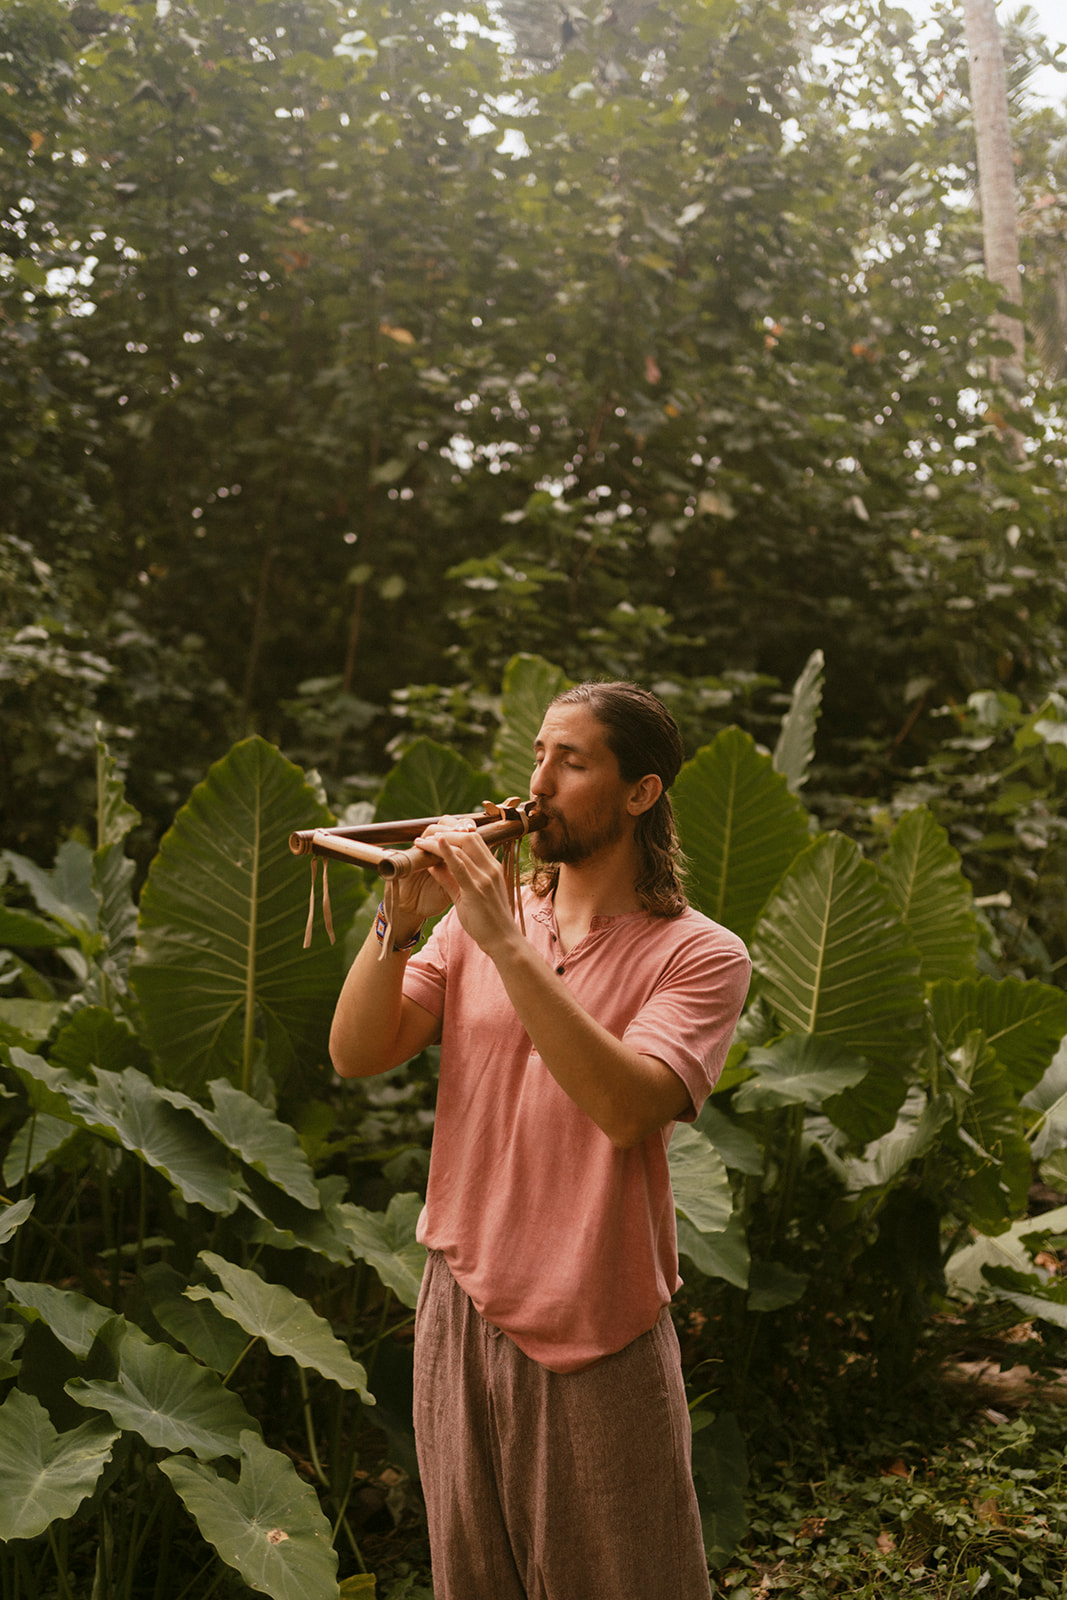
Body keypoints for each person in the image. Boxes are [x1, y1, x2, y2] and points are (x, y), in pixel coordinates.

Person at [330, 680, 751, 1600]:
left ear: (641, 792)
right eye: (537, 755)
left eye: (572, 760)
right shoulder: (479, 923)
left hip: (595, 1324)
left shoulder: (699, 954)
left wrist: (497, 933)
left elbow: (629, 1107)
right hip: (458, 1301)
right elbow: (359, 1052)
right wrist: (395, 925)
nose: (539, 782)